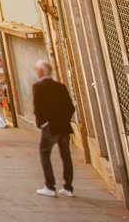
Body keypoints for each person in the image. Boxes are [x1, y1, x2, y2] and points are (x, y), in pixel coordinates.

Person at [32, 61, 77, 198]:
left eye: (37, 70)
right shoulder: (61, 86)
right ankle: (68, 187)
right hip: (64, 127)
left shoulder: (38, 87)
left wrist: (42, 124)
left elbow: (37, 107)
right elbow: (71, 107)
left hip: (50, 127)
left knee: (44, 154)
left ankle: (50, 187)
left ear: (41, 72)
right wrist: (64, 120)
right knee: (66, 155)